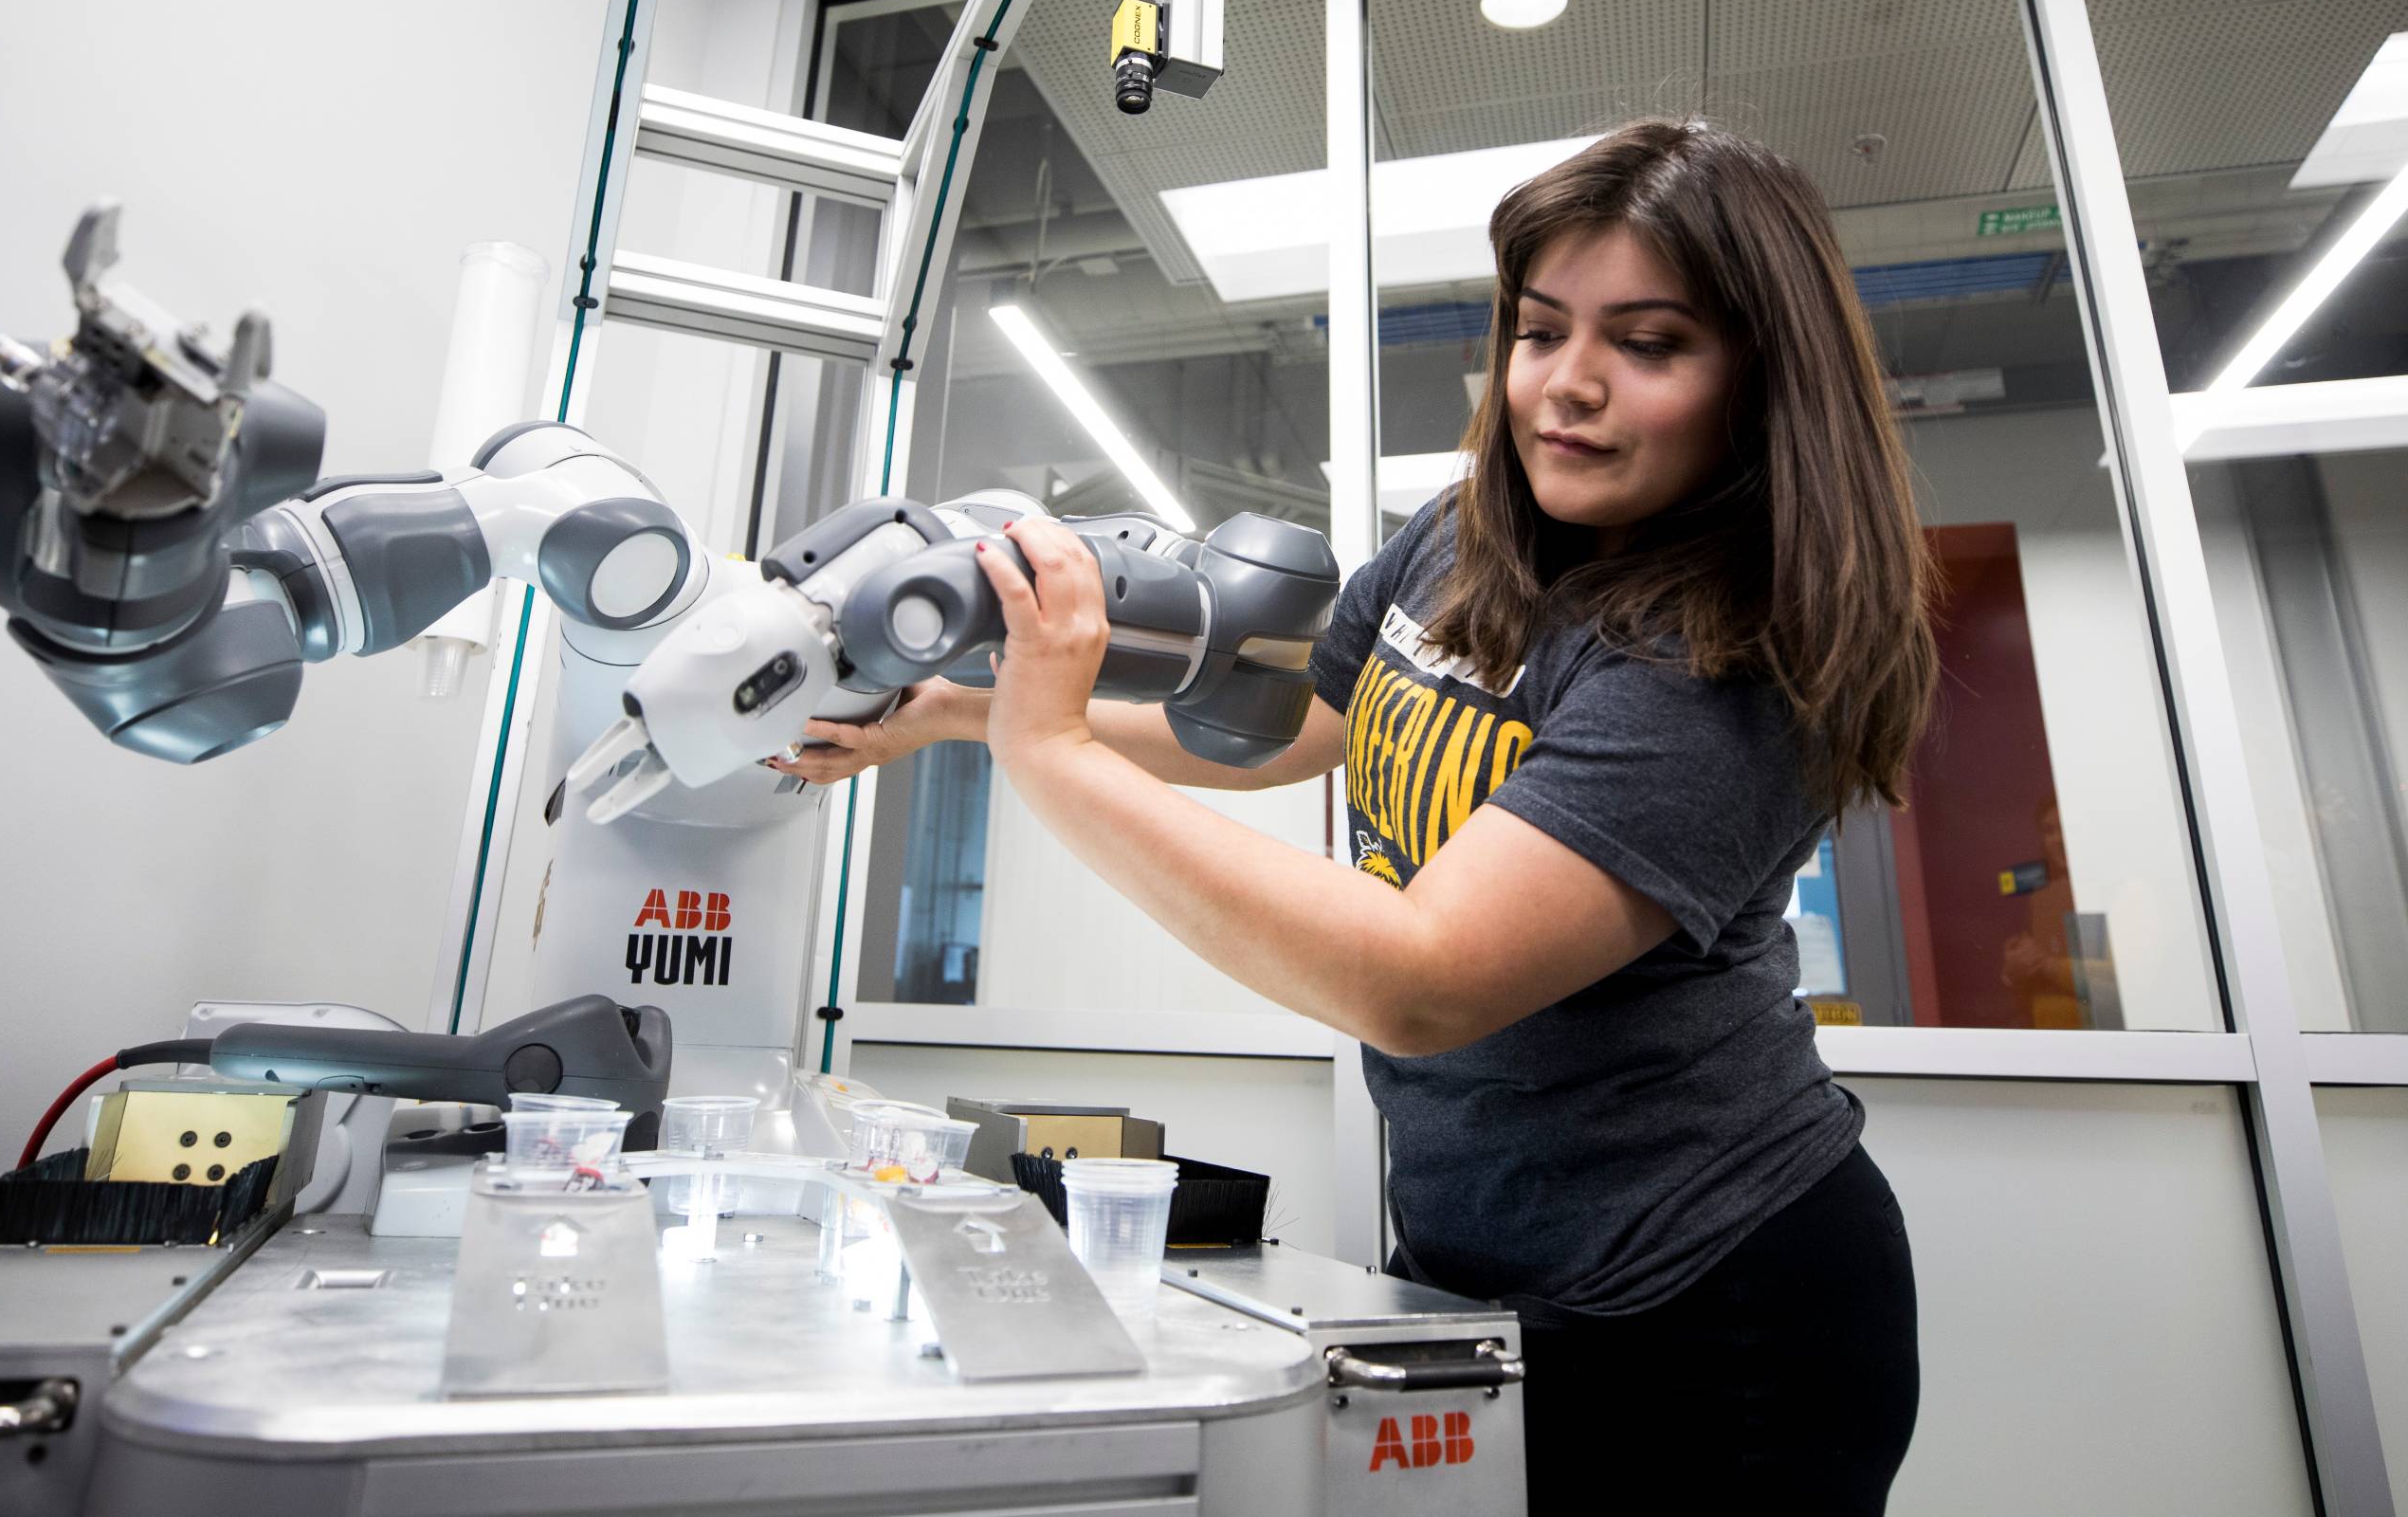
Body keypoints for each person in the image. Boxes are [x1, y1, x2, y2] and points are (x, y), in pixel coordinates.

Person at [777, 119, 1933, 1511]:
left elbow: (1422, 977)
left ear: (1759, 380)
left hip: (1716, 1301)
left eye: (1648, 342)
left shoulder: (1723, 662)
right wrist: (968, 712)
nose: (1565, 386)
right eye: (1541, 329)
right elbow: (1293, 729)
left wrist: (1055, 757)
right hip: (1497, 1250)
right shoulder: (1465, 537)